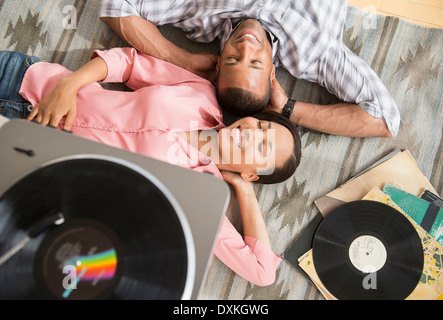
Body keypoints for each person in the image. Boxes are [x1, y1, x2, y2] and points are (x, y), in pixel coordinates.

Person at [0, 49, 302, 286]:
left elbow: (262, 272)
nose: (252, 133)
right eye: (261, 125)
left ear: (252, 172)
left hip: (22, 158)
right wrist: (71, 82)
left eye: (263, 146)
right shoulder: (201, 94)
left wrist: (244, 189)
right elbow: (129, 63)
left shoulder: (198, 196)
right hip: (25, 82)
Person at [98, 0, 401, 138]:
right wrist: (288, 108)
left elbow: (116, 5)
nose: (246, 46)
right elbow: (383, 119)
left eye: (232, 59)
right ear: (272, 71)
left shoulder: (200, 15)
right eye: (255, 62)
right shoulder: (314, 54)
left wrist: (182, 59)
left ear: (217, 62)